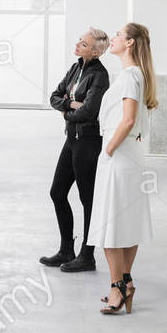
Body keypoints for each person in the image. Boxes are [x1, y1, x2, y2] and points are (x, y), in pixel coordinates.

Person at [85, 22, 158, 315]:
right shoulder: (137, 75)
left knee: (108, 227)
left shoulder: (129, 77)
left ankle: (117, 287)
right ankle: (125, 284)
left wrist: (109, 148)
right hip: (131, 157)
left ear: (129, 43)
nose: (112, 38)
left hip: (119, 155)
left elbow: (127, 120)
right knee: (125, 225)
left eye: (117, 35)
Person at [40, 28, 111, 272]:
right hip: (71, 139)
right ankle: (66, 250)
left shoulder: (100, 75)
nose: (78, 44)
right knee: (57, 192)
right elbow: (54, 96)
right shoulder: (75, 67)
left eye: (83, 43)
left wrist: (67, 113)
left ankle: (87, 255)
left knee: (87, 199)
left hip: (88, 143)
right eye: (79, 40)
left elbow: (90, 111)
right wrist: (70, 104)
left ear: (95, 50)